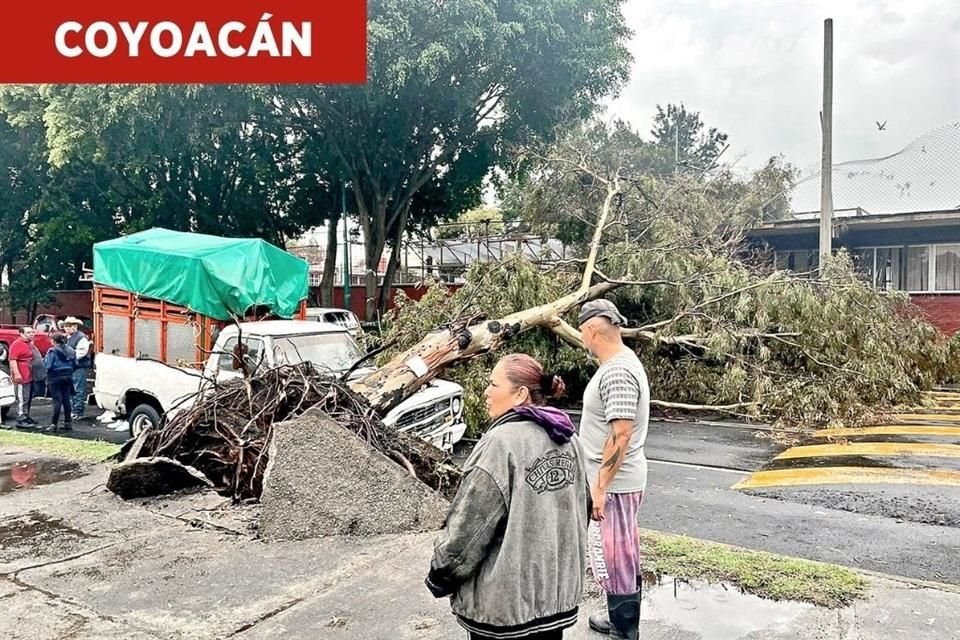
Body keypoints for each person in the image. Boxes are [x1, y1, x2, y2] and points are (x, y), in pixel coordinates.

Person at [426, 354, 590, 640]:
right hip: (555, 601)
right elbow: (581, 511)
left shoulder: (500, 444)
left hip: (505, 608)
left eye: (493, 384)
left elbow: (470, 527)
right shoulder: (569, 439)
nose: (486, 392)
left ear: (520, 394)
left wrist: (441, 574)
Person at [577, 299, 649, 640]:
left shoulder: (618, 370)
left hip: (615, 485)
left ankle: (625, 631)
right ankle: (620, 620)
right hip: (616, 482)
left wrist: (600, 487)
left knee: (615, 556)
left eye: (582, 332)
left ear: (591, 330)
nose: (582, 339)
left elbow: (621, 432)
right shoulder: (619, 364)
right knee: (620, 553)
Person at [43, 333, 75, 432]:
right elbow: (75, 363)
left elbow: (48, 366)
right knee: (66, 400)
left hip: (55, 377)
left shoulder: (52, 351)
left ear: (53, 341)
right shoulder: (70, 350)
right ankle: (68, 422)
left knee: (57, 401)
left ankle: (53, 424)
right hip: (68, 376)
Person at [62, 317, 91, 420]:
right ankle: (74, 410)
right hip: (72, 367)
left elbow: (81, 353)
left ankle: (78, 412)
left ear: (75, 326)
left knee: (78, 389)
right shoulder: (69, 338)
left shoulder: (81, 338)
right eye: (66, 326)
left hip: (78, 366)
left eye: (69, 326)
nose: (67, 328)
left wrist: (67, 358)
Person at [9, 326, 38, 428]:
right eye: (28, 333)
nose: (31, 334)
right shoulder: (17, 344)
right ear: (21, 333)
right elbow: (12, 360)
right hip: (22, 375)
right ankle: (21, 419)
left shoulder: (29, 344)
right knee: (22, 398)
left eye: (32, 332)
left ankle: (26, 415)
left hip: (29, 374)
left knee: (28, 397)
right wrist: (16, 373)